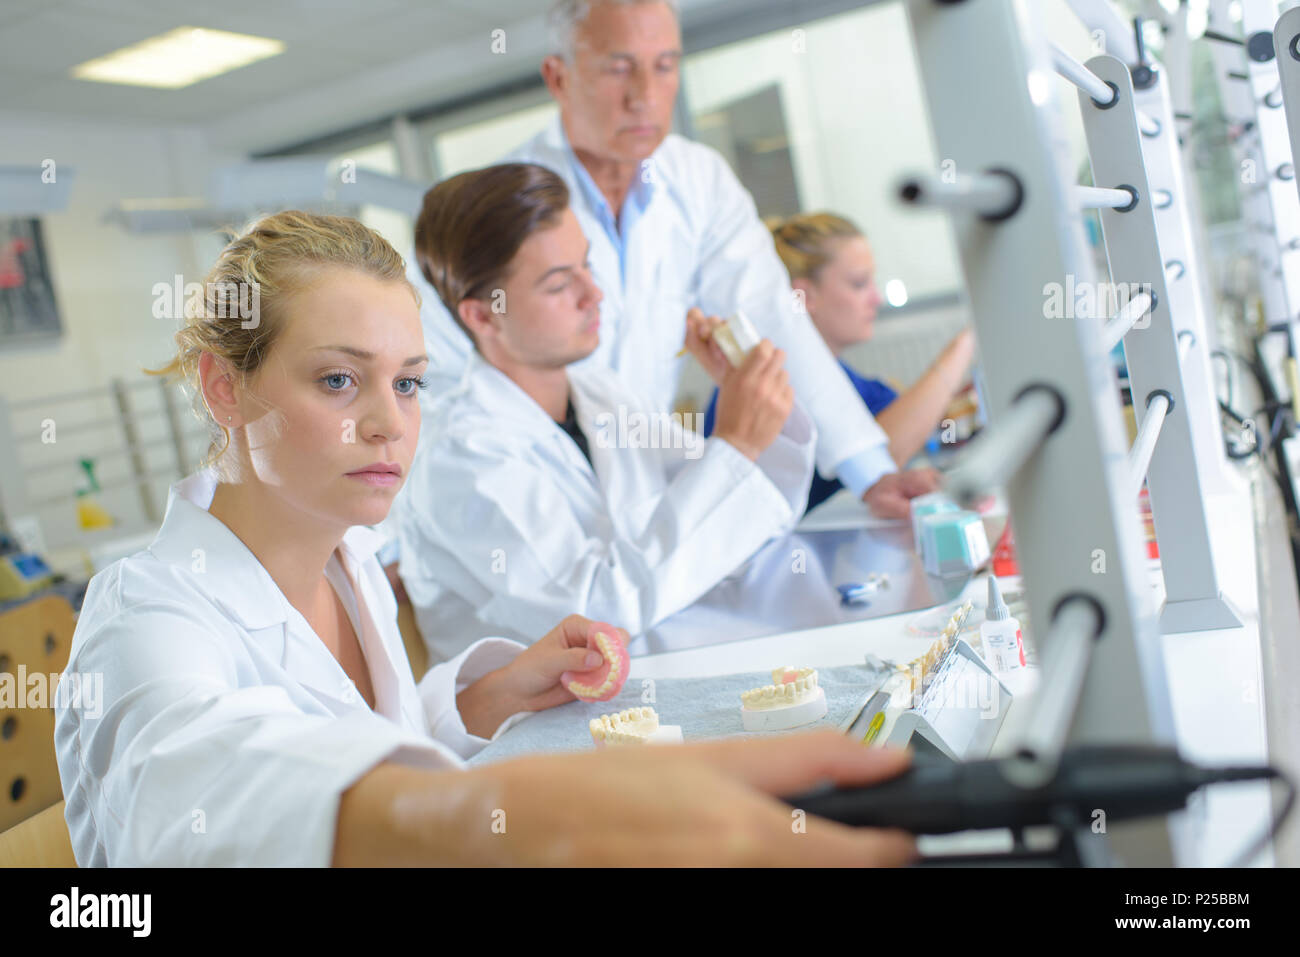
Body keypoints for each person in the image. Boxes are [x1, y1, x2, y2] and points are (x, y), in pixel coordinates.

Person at [54, 210, 915, 866]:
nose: (390, 423)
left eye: (410, 382)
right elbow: (197, 797)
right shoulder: (147, 613)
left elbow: (355, 732)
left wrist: (482, 699)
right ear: (224, 388)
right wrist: (523, 816)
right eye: (339, 379)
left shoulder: (344, 558)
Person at [405, 0, 939, 519]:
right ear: (558, 77)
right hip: (519, 495)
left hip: (641, 485)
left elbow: (772, 320)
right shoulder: (496, 212)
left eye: (665, 67)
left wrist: (869, 472)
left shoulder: (697, 181)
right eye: (619, 68)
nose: (645, 96)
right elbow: (436, 384)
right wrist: (399, 540)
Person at [395, 163, 814, 657]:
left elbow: (750, 515)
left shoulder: (598, 394)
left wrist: (744, 395)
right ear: (485, 315)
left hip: (661, 672)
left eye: (587, 266)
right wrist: (736, 445)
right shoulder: (459, 458)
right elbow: (594, 617)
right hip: (550, 727)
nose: (594, 294)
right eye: (557, 285)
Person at [704, 213, 977, 512]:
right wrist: (969, 339)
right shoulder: (760, 386)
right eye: (860, 283)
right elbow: (887, 455)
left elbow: (894, 426)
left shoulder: (847, 382)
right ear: (804, 295)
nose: (877, 299)